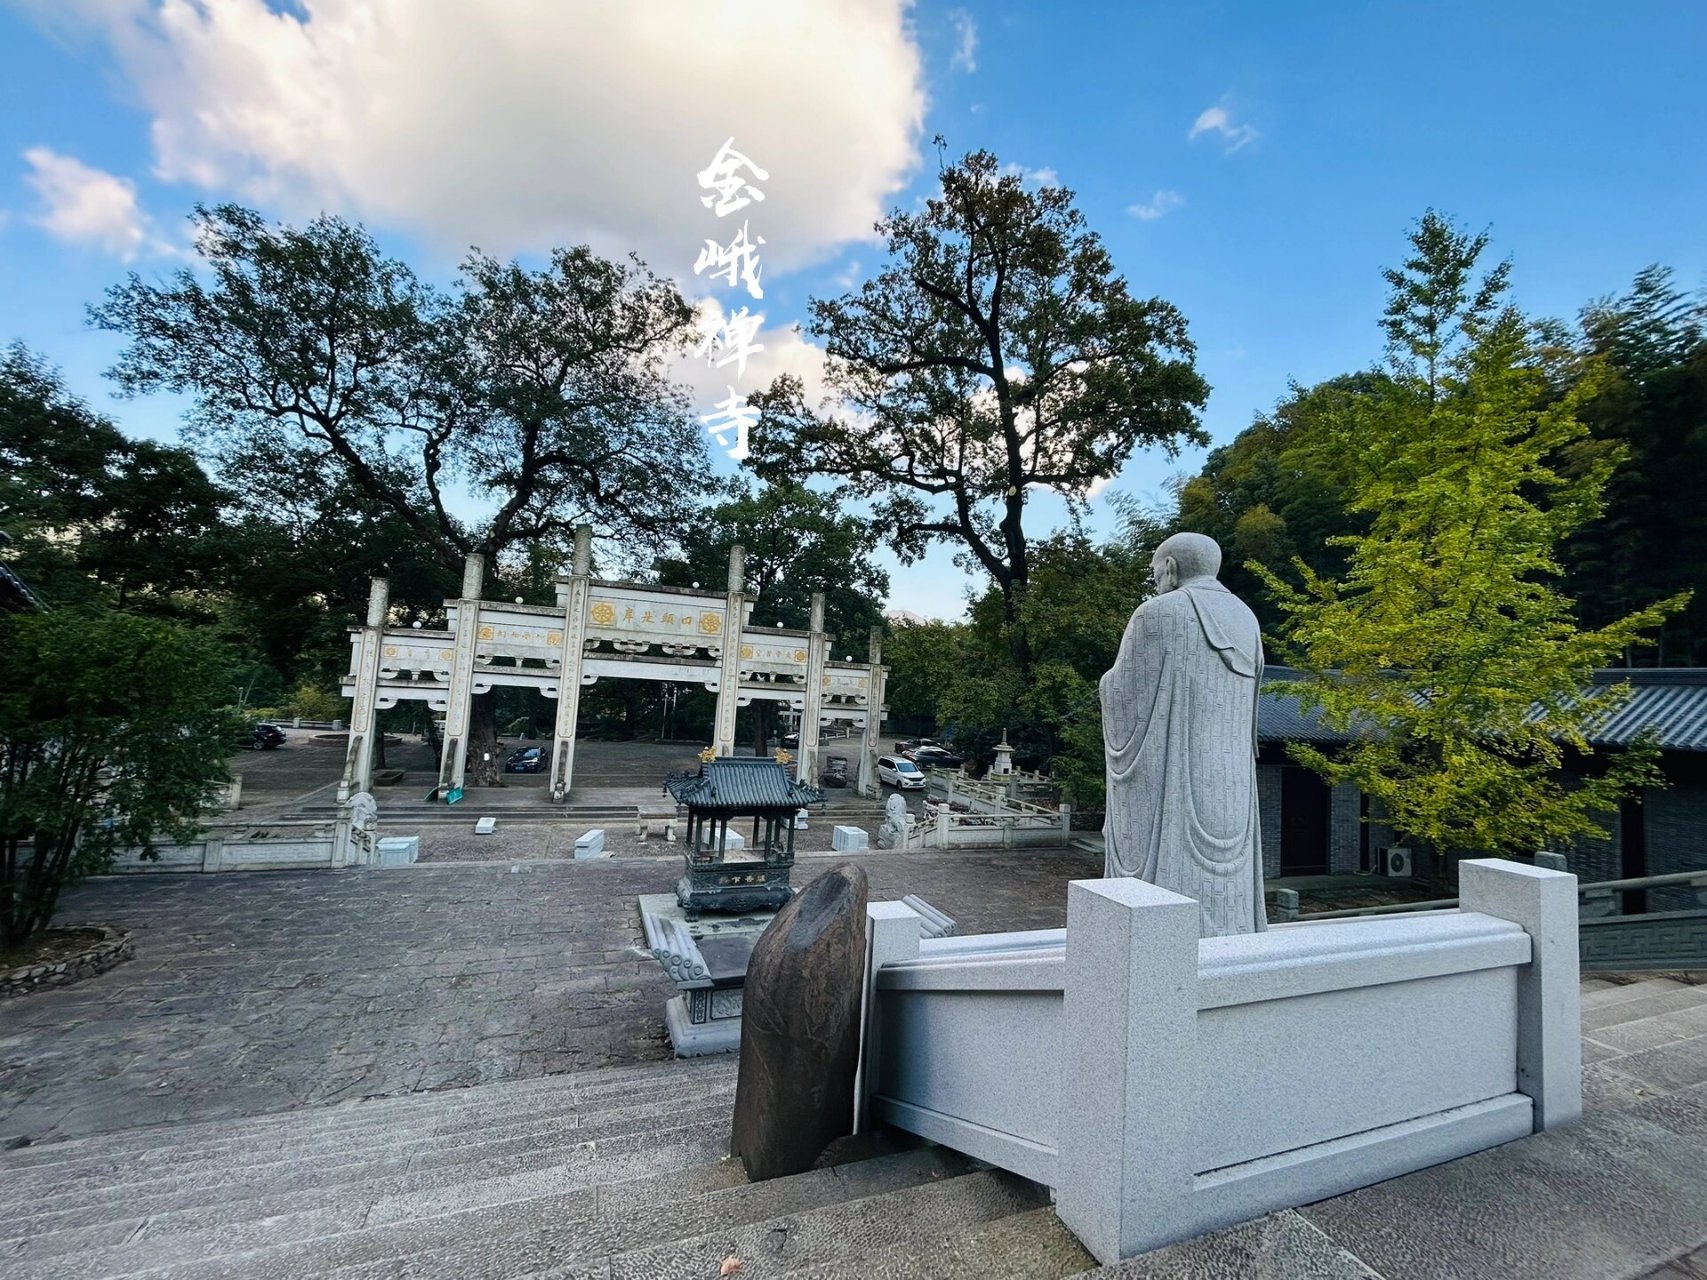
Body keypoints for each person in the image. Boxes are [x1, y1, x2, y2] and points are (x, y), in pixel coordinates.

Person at [1100, 532, 1266, 936]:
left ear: (1171, 568)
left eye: (1156, 571)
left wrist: (1105, 682)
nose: (1156, 579)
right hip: (1233, 786)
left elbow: (1121, 691)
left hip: (1175, 777)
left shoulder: (1158, 612)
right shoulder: (1248, 618)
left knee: (1159, 892)